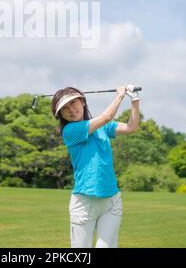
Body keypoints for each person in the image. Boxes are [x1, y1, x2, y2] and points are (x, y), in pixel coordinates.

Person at [51, 84, 140, 248]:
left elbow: (131, 127)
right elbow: (106, 117)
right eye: (65, 108)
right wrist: (120, 95)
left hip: (111, 202)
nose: (71, 109)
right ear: (61, 115)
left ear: (82, 102)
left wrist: (134, 99)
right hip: (84, 204)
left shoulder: (103, 128)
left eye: (73, 103)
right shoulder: (70, 130)